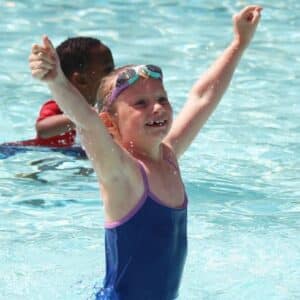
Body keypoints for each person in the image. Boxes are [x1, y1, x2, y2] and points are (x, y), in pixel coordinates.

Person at [29, 5, 262, 299]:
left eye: (161, 98)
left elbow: (203, 97)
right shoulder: (124, 174)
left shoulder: (168, 156)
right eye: (140, 104)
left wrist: (239, 43)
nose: (157, 107)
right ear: (110, 122)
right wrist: (56, 81)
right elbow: (86, 123)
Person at [12, 37, 114, 148]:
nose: (115, 75)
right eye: (108, 70)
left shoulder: (106, 105)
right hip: (41, 152)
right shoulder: (58, 106)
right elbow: (43, 129)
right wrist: (87, 115)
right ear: (81, 80)